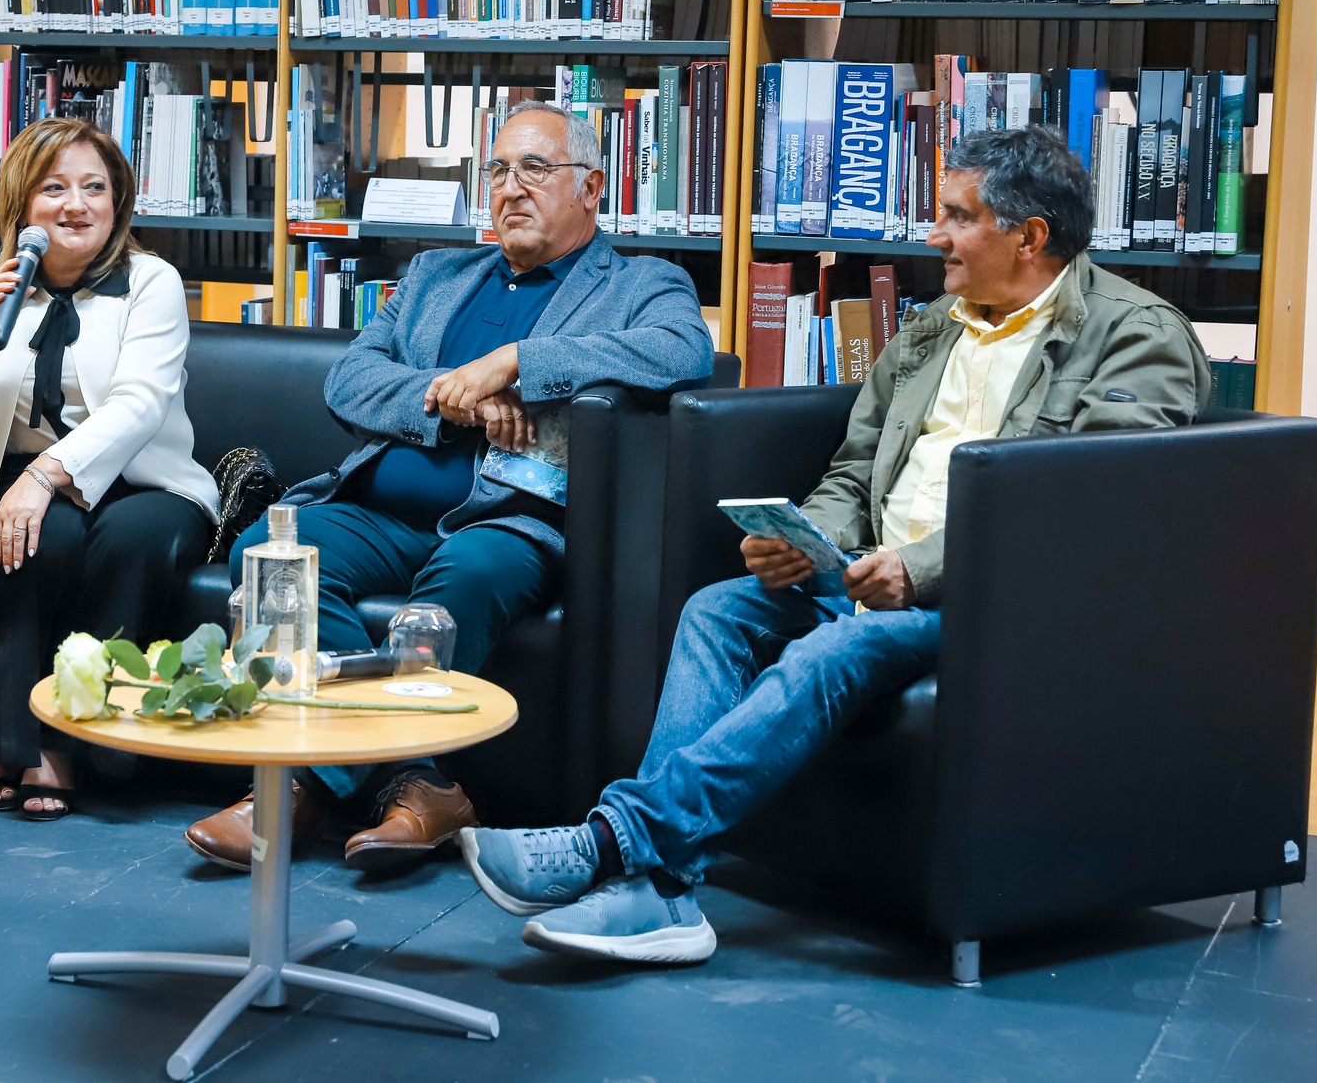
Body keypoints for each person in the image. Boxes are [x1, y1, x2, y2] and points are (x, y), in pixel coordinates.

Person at [460, 125, 1214, 964]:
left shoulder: (1137, 335)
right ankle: (664, 893)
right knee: (721, 608)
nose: (934, 236)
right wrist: (812, 542)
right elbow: (856, 469)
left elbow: (1084, 509)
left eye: (958, 217)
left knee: (845, 644)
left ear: (1028, 236)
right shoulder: (935, 328)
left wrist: (919, 570)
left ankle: (614, 844)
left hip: (1002, 603)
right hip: (869, 577)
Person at [186, 100, 713, 874]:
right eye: (497, 170)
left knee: (465, 578)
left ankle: (302, 788)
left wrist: (516, 364)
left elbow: (683, 351)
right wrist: (451, 392)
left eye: (534, 168)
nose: (510, 187)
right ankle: (418, 786)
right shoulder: (438, 274)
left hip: (504, 524)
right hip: (376, 509)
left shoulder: (642, 284)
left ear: (592, 187)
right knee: (270, 552)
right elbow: (352, 378)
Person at [0, 117, 218, 820]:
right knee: (28, 539)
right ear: (23, 204)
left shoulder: (152, 282)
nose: (75, 205)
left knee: (129, 540)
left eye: (94, 188)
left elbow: (141, 406)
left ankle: (73, 741)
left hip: (147, 482)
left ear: (118, 204)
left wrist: (45, 476)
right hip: (32, 484)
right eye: (54, 188)